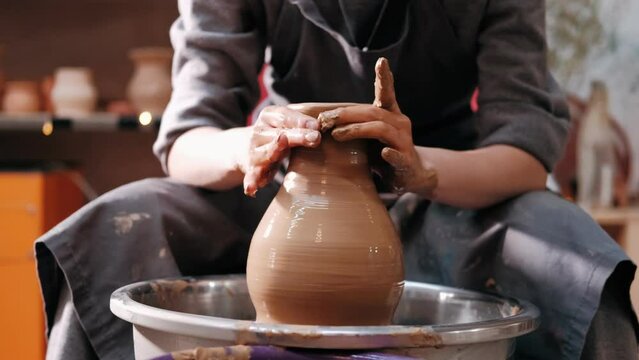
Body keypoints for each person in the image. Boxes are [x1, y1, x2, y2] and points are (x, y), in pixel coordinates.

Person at [36, 0, 638, 359]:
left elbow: (525, 149)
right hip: (278, 183)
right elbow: (186, 139)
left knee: (576, 260)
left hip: (451, 188)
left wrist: (422, 169)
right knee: (111, 229)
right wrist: (253, 146)